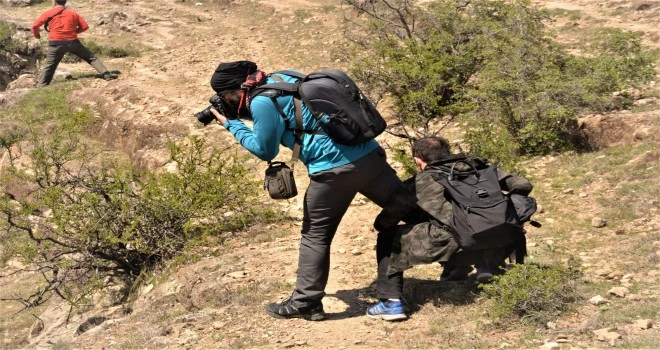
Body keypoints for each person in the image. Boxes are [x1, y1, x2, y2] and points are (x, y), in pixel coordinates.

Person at [206, 61, 402, 321]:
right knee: (411, 209)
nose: (227, 100)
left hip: (334, 173)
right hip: (370, 157)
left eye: (227, 96)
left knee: (316, 236)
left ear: (238, 89)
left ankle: (306, 302)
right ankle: (462, 256)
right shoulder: (283, 76)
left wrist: (232, 124)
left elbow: (265, 150)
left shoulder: (261, 102)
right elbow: (291, 112)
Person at [373, 136, 533, 291]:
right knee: (479, 221)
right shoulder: (478, 167)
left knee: (389, 237)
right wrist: (500, 207)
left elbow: (388, 220)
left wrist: (379, 225)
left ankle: (390, 301)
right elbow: (523, 184)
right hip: (504, 234)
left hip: (460, 244)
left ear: (418, 160)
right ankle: (486, 265)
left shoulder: (419, 182)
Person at [32, 0, 116, 86]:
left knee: (49, 65)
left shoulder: (48, 13)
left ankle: (42, 86)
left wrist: (37, 35)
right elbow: (85, 26)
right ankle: (106, 74)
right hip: (72, 42)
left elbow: (35, 26)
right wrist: (73, 32)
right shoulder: (73, 14)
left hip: (55, 43)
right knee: (91, 58)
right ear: (65, 2)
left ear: (54, 2)